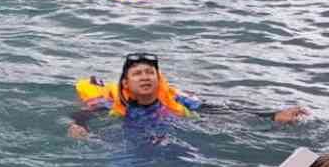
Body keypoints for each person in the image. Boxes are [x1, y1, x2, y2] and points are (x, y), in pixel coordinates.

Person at [68, 53, 309, 139]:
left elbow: (218, 110)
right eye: (138, 74)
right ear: (126, 84)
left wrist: (272, 115)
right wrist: (78, 126)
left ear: (158, 79)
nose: (145, 77)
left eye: (150, 73)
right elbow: (81, 114)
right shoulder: (114, 102)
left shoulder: (177, 100)